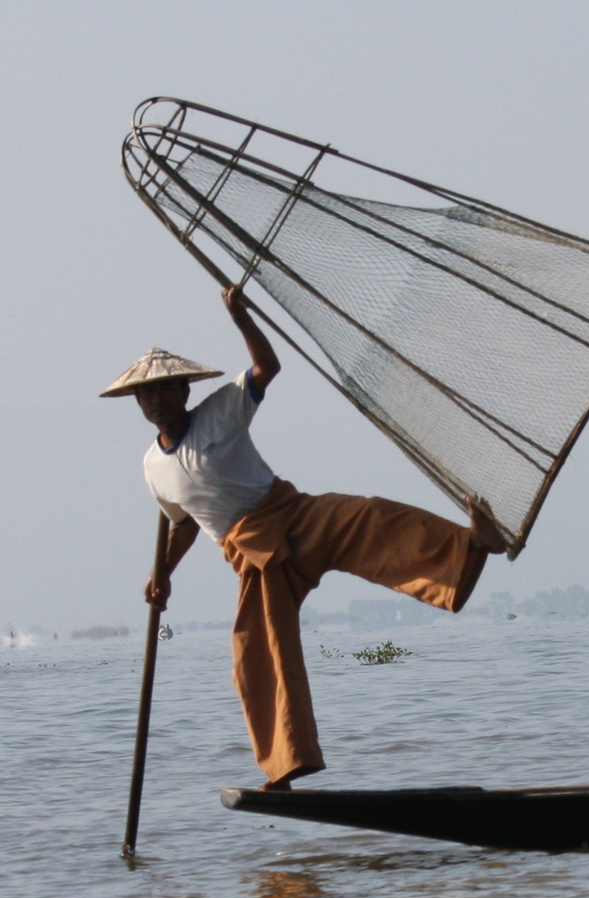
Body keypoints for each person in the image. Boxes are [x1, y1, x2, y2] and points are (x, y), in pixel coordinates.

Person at [101, 286, 508, 790]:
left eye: (167, 389)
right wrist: (160, 576)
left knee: (371, 516)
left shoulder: (221, 410)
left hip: (291, 514)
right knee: (256, 656)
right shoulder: (152, 467)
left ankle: (473, 546)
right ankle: (285, 766)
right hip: (252, 555)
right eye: (148, 393)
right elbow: (183, 523)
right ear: (138, 403)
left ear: (185, 392)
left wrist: (241, 318)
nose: (158, 399)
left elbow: (266, 367)